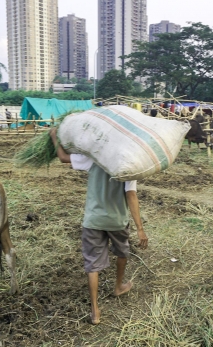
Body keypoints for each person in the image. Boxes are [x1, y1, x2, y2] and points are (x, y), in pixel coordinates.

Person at [49, 128, 148, 325]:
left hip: (93, 220)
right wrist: (140, 228)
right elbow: (131, 195)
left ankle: (95, 310)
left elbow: (62, 158)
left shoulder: (93, 158)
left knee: (92, 264)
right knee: (122, 253)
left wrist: (54, 137)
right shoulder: (128, 164)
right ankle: (118, 286)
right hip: (117, 221)